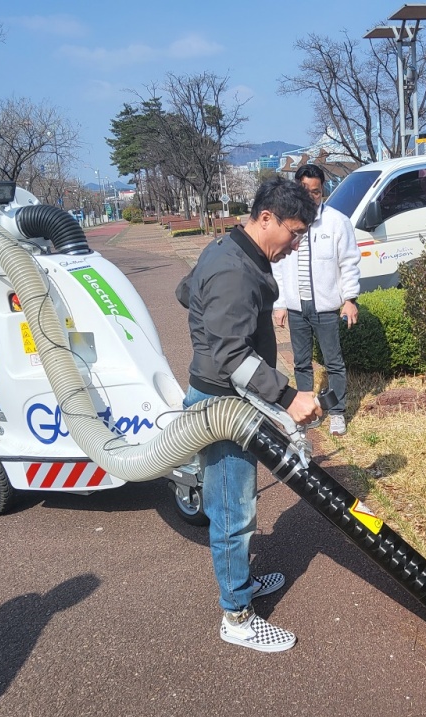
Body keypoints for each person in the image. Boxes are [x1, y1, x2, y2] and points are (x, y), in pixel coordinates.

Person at [175, 177, 321, 653]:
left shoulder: (229, 252)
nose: (295, 244)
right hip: (221, 404)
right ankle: (237, 618)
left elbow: (184, 292)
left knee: (235, 507)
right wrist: (288, 396)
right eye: (294, 233)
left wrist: (208, 319)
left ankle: (240, 583)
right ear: (265, 219)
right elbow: (231, 356)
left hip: (229, 398)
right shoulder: (234, 269)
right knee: (234, 513)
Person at [271, 164, 361, 436]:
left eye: (316, 192)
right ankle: (307, 412)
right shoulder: (285, 221)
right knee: (301, 362)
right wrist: (279, 304)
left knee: (333, 362)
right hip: (296, 307)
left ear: (323, 191)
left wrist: (349, 299)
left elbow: (349, 262)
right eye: (305, 191)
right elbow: (277, 264)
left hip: (325, 307)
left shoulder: (336, 221)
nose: (311, 197)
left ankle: (337, 412)